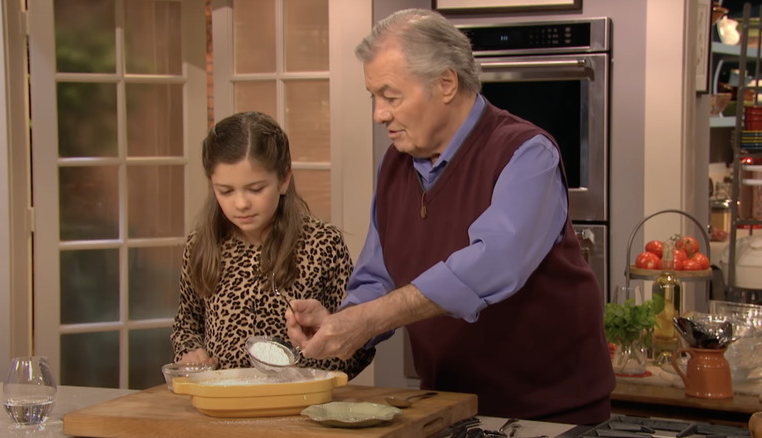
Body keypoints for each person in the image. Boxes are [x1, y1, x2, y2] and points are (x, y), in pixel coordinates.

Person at [285, 9, 615, 424]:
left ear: (445, 83)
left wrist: (369, 318)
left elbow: (492, 262)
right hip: (450, 408)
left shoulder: (527, 152)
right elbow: (378, 277)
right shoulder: (394, 165)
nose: (379, 114)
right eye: (374, 97)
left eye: (391, 96)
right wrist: (342, 323)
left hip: (551, 415)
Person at [170, 111, 374, 380]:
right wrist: (190, 352)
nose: (241, 203)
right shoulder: (201, 247)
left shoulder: (322, 244)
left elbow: (359, 345)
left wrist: (312, 364)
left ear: (283, 180)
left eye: (255, 189)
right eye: (226, 191)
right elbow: (186, 325)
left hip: (301, 406)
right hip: (224, 404)